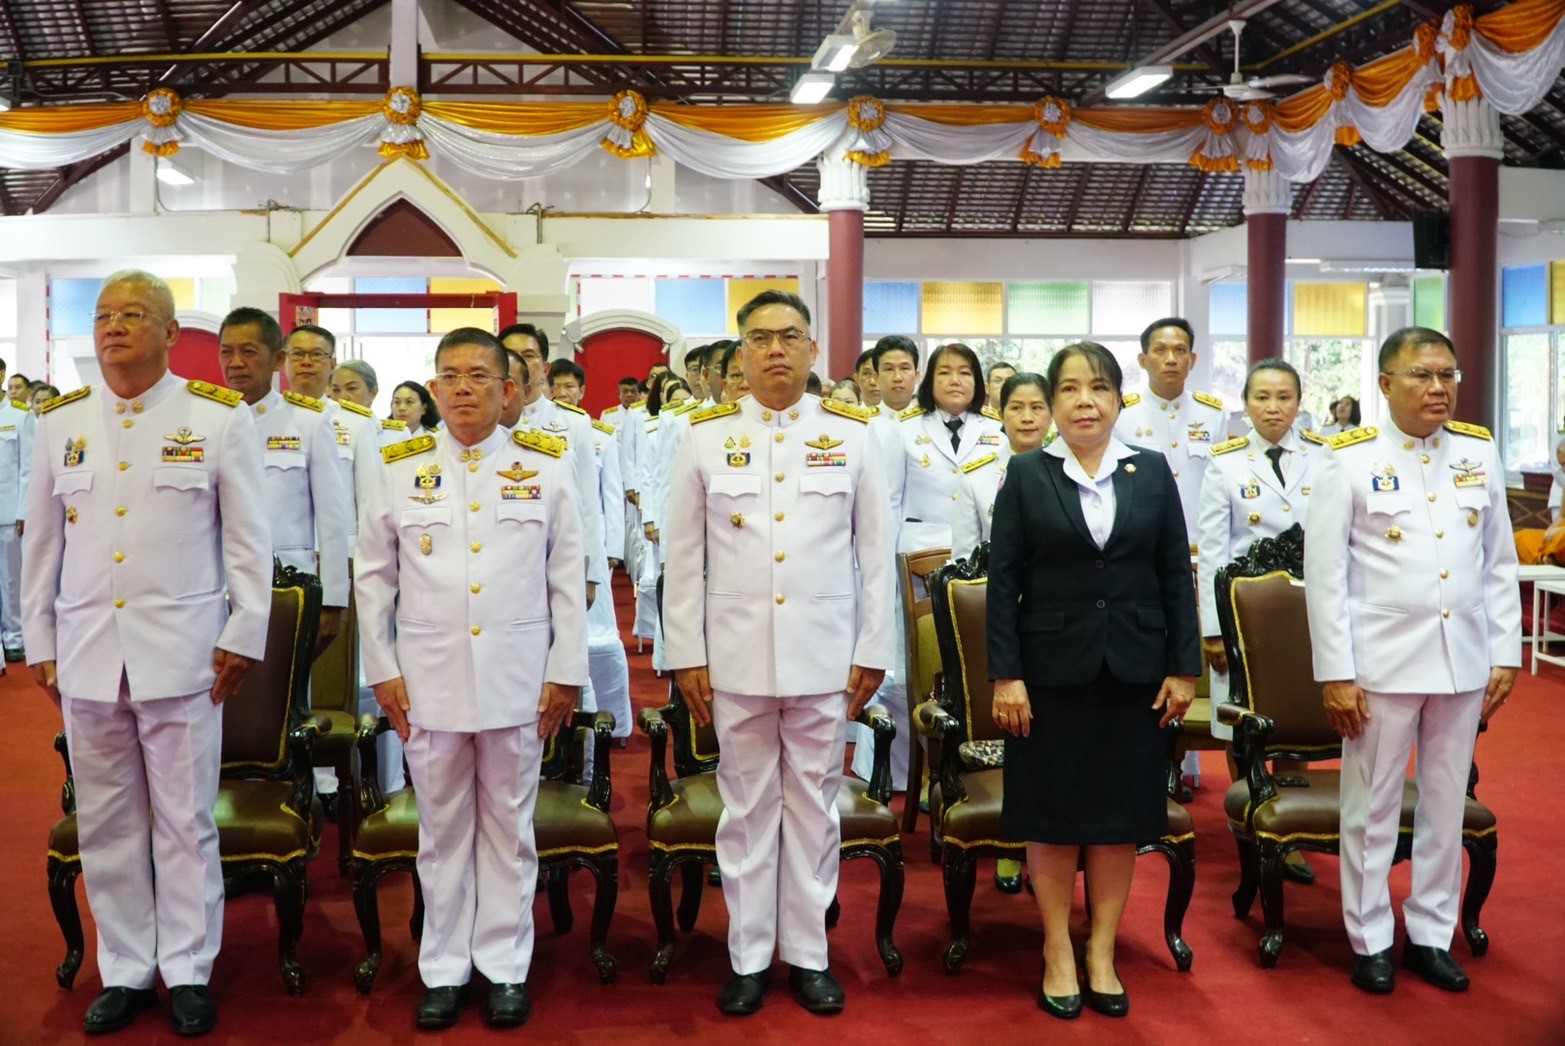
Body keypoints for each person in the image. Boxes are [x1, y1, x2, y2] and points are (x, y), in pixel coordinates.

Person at [22, 269, 272, 1036]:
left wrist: (243, 630)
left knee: (185, 820)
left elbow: (248, 541)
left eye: (134, 314)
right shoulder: (62, 424)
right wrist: (40, 639)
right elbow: (43, 543)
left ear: (171, 334)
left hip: (186, 654)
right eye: (104, 315)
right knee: (106, 822)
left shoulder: (217, 418)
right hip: (91, 651)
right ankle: (127, 969)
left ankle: (189, 968)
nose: (115, 327)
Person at [663, 290, 894, 1017]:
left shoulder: (854, 436)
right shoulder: (704, 436)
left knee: (815, 810)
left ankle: (808, 954)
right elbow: (683, 554)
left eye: (789, 336)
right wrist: (684, 655)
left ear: (811, 350)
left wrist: (873, 647)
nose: (774, 350)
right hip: (733, 658)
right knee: (746, 810)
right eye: (758, 338)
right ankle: (748, 956)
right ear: (739, 354)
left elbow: (875, 556)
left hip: (825, 655)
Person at [355, 327, 588, 1030]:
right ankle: (445, 969)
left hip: (520, 675)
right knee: (443, 829)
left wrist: (565, 669)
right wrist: (383, 672)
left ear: (507, 389)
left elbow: (567, 579)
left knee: (510, 829)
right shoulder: (398, 464)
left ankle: (505, 967)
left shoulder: (545, 464)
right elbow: (372, 577)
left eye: (478, 376)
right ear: (432, 390)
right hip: (427, 677)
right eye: (448, 377)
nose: (462, 388)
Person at [1305, 326, 1520, 996]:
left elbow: (1497, 565)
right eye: (1421, 375)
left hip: (1460, 662)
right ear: (1384, 383)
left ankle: (1430, 932)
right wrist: (1335, 672)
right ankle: (1368, 936)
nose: (1437, 388)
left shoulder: (1476, 457)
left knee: (1444, 805)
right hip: (1380, 667)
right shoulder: (1347, 460)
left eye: (1446, 375)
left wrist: (1504, 651)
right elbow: (1325, 577)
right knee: (1369, 807)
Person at [988, 341, 1199, 1020]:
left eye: (1099, 387)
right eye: (1071, 389)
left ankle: (1100, 948)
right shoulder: (1025, 474)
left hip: (1134, 673)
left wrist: (1183, 665)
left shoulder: (1150, 471)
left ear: (1118, 398)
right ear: (1050, 404)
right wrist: (1005, 677)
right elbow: (1003, 585)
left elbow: (1174, 573)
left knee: (1115, 820)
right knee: (1051, 819)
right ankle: (1056, 946)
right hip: (1047, 677)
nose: (1085, 401)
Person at [1197, 358, 1323, 883]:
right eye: (1262, 398)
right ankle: (1248, 816)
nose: (1274, 408)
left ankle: (1289, 826)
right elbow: (1212, 551)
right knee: (1243, 722)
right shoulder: (1223, 463)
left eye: (1284, 397)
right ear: (1245, 404)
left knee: (1300, 717)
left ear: (1299, 403)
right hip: (1244, 622)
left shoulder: (1324, 458)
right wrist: (1212, 626)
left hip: (1309, 615)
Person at [1114, 316, 1224, 788]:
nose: (1171, 358)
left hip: (1203, 549)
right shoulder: (1126, 412)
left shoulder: (1213, 414)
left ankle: (1187, 764)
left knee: (1193, 648)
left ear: (1193, 359)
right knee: (1153, 645)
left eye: (1180, 350)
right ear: (1143, 360)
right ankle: (1154, 760)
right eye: (1160, 350)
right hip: (1145, 550)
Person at [218, 307, 349, 651]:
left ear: (277, 360)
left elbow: (333, 517)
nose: (235, 363)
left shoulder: (307, 422)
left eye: (248, 352)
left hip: (288, 587)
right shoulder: (208, 421)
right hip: (216, 587)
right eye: (226, 352)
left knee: (282, 698)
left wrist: (333, 600)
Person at [550, 357, 633, 744]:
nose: (563, 392)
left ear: (582, 392)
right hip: (553, 543)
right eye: (558, 385)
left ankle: (615, 724)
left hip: (591, 542)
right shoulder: (538, 430)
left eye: (571, 386)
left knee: (601, 640)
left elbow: (611, 496)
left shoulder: (599, 434)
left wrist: (613, 548)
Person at [501, 323, 608, 616]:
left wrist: (590, 573)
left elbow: (588, 500)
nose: (520, 362)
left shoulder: (573, 423)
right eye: (510, 354)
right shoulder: (486, 421)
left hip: (557, 556)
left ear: (545, 367)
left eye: (529, 355)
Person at [951, 371, 1051, 562]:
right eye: (1016, 408)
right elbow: (964, 562)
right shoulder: (974, 479)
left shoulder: (1067, 469)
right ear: (1001, 416)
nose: (1027, 418)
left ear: (1052, 415)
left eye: (1037, 407)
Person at [0, 378, 31, 662]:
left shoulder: (20, 417)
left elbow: (28, 468)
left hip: (7, 512)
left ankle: (14, 637)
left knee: (10, 578)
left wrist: (24, 510)